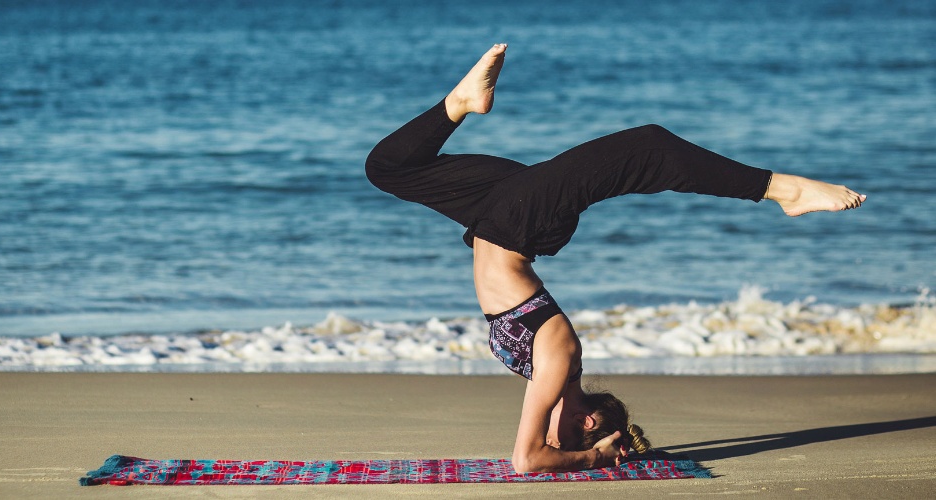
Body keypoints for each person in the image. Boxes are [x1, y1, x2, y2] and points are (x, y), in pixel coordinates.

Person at [364, 44, 865, 473]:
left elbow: (532, 453)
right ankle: (784, 190)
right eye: (561, 436)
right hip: (521, 222)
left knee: (388, 168)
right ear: (587, 420)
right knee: (649, 145)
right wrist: (594, 458)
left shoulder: (547, 376)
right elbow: (527, 459)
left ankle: (461, 102)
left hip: (497, 214)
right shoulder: (559, 358)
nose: (547, 434)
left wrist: (605, 449)